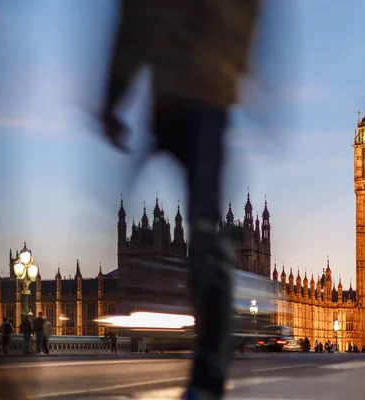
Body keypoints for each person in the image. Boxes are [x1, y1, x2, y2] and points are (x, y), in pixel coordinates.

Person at [99, 2, 261, 399]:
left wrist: (229, 68)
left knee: (205, 233)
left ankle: (209, 368)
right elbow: (132, 24)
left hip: (206, 98)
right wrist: (114, 95)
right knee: (189, 228)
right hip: (167, 100)